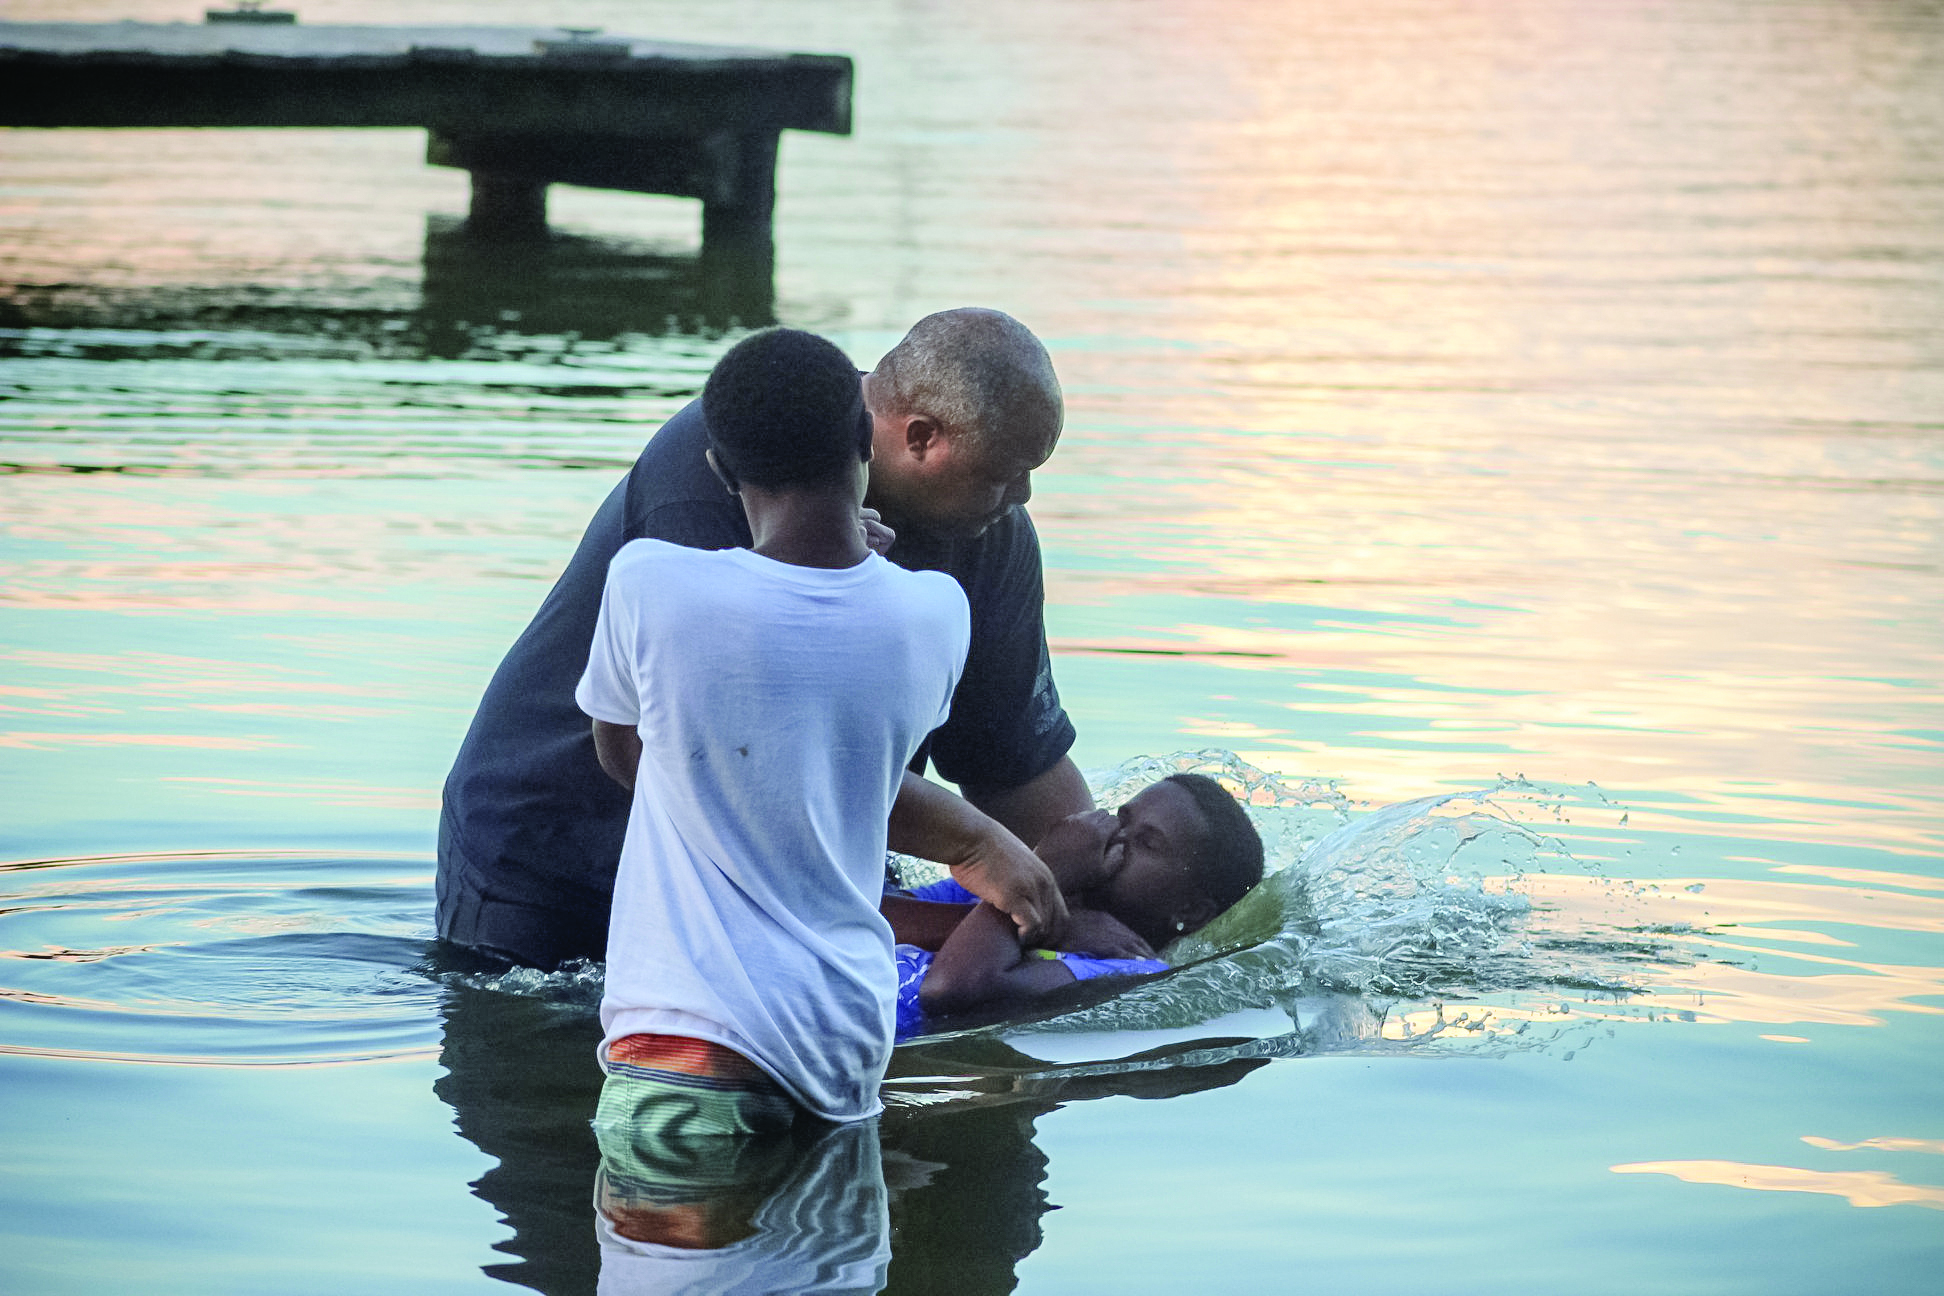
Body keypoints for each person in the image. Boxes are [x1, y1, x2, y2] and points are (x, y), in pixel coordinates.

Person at [438, 307, 1092, 971]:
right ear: (920, 436)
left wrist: (1098, 886)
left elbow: (1013, 762)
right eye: (1005, 472)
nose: (1025, 495)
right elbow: (722, 768)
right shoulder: (744, 451)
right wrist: (976, 856)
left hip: (764, 874)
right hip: (543, 856)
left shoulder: (990, 538)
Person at [576, 326, 973, 1132]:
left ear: (720, 467)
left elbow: (624, 755)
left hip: (684, 1059)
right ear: (867, 440)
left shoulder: (647, 582)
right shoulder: (937, 612)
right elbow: (854, 758)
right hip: (845, 1052)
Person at [890, 773, 1266, 1039]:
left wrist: (1047, 872)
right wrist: (1053, 912)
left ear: (1190, 911)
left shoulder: (1126, 969)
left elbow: (949, 991)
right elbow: (861, 914)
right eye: (1122, 818)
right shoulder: (1003, 886)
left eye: (1148, 843)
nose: (1118, 837)